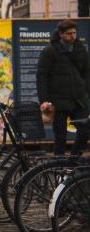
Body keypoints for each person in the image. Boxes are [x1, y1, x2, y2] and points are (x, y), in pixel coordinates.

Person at [37, 20, 90, 156]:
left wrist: (86, 93)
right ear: (61, 34)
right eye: (68, 34)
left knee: (85, 131)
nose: (72, 36)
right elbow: (42, 77)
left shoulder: (80, 48)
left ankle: (72, 162)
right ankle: (58, 168)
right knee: (60, 137)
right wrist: (44, 100)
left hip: (78, 100)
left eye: (74, 33)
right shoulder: (50, 51)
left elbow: (87, 73)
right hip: (58, 101)